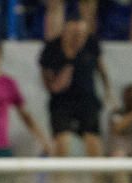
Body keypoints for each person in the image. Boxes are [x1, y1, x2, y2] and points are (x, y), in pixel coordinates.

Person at [39, 14, 109, 157]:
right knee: (62, 142)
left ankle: (98, 179)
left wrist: (108, 91)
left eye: (81, 34)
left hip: (87, 99)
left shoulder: (91, 45)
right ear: (65, 32)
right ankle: (60, 179)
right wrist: (54, 85)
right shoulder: (52, 48)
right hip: (61, 102)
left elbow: (101, 69)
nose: (78, 38)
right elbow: (46, 76)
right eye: (74, 34)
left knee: (93, 142)